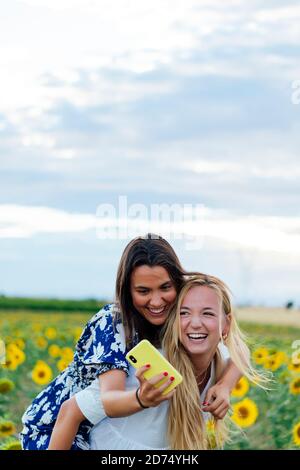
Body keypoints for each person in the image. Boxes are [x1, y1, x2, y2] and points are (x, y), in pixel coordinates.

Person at [21, 234, 241, 450]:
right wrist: (141, 398)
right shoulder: (115, 322)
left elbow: (237, 348)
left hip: (99, 425)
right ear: (128, 292)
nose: (156, 301)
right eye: (143, 291)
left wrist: (224, 385)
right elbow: (107, 398)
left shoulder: (179, 318)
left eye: (165, 287)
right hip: (55, 427)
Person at [49, 273, 268, 450]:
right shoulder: (151, 368)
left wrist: (225, 386)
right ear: (173, 321)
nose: (195, 323)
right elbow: (70, 411)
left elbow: (242, 352)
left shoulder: (219, 360)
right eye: (184, 313)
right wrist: (139, 398)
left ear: (226, 324)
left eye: (208, 313)